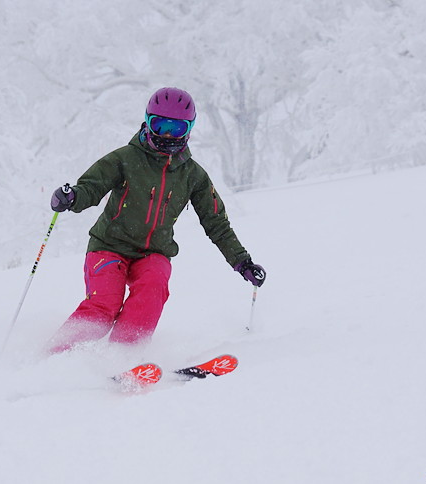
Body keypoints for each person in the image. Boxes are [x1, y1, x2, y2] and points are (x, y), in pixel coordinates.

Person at [47, 87, 265, 354]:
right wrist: (73, 197)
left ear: (189, 129)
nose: (167, 135)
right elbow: (91, 186)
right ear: (147, 122)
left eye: (176, 128)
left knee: (153, 287)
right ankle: (54, 354)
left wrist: (242, 262)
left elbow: (216, 223)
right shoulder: (125, 159)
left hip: (153, 253)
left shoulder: (192, 175)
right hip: (109, 246)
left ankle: (122, 357)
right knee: (105, 305)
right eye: (159, 125)